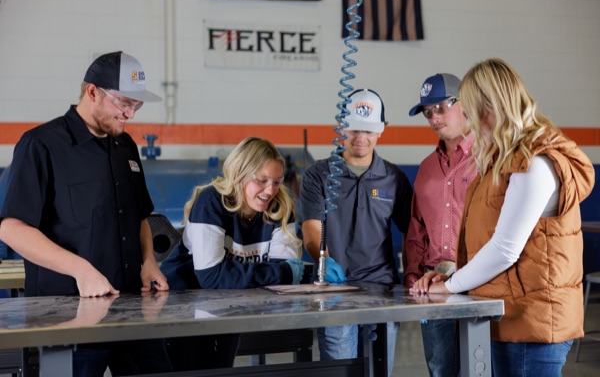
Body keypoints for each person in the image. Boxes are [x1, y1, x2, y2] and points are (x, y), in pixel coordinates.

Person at [410, 58, 595, 376]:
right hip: (509, 315)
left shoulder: (535, 162)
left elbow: (506, 248)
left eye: (468, 111)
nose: (468, 122)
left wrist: (452, 286)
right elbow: (489, 242)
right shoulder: (502, 161)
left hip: (532, 323)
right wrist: (454, 274)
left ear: (489, 107)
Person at [0, 51, 172, 376]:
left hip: (131, 307)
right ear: (92, 92)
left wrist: (148, 262)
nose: (130, 114)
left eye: (136, 106)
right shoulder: (41, 145)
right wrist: (81, 270)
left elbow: (140, 218)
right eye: (123, 103)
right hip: (69, 312)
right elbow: (12, 228)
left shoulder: (125, 147)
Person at [159, 136, 304, 370]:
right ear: (240, 174)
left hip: (229, 302)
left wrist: (280, 274)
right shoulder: (211, 202)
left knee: (220, 369)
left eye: (276, 182)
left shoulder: (279, 208)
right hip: (181, 306)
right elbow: (211, 276)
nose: (270, 191)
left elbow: (287, 275)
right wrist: (279, 274)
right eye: (262, 180)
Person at [300, 88, 413, 375]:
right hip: (335, 292)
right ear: (340, 127)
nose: (361, 137)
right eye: (353, 129)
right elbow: (312, 228)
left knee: (379, 371)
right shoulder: (319, 175)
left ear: (381, 131)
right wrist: (325, 260)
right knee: (340, 371)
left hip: (383, 292)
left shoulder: (394, 178)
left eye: (369, 130)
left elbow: (414, 231)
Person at [404, 73, 477, 377]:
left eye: (441, 107)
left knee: (481, 367)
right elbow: (417, 229)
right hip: (435, 286)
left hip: (479, 283)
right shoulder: (426, 169)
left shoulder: (490, 158)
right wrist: (413, 276)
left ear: (465, 103)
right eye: (427, 111)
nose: (434, 117)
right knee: (441, 369)